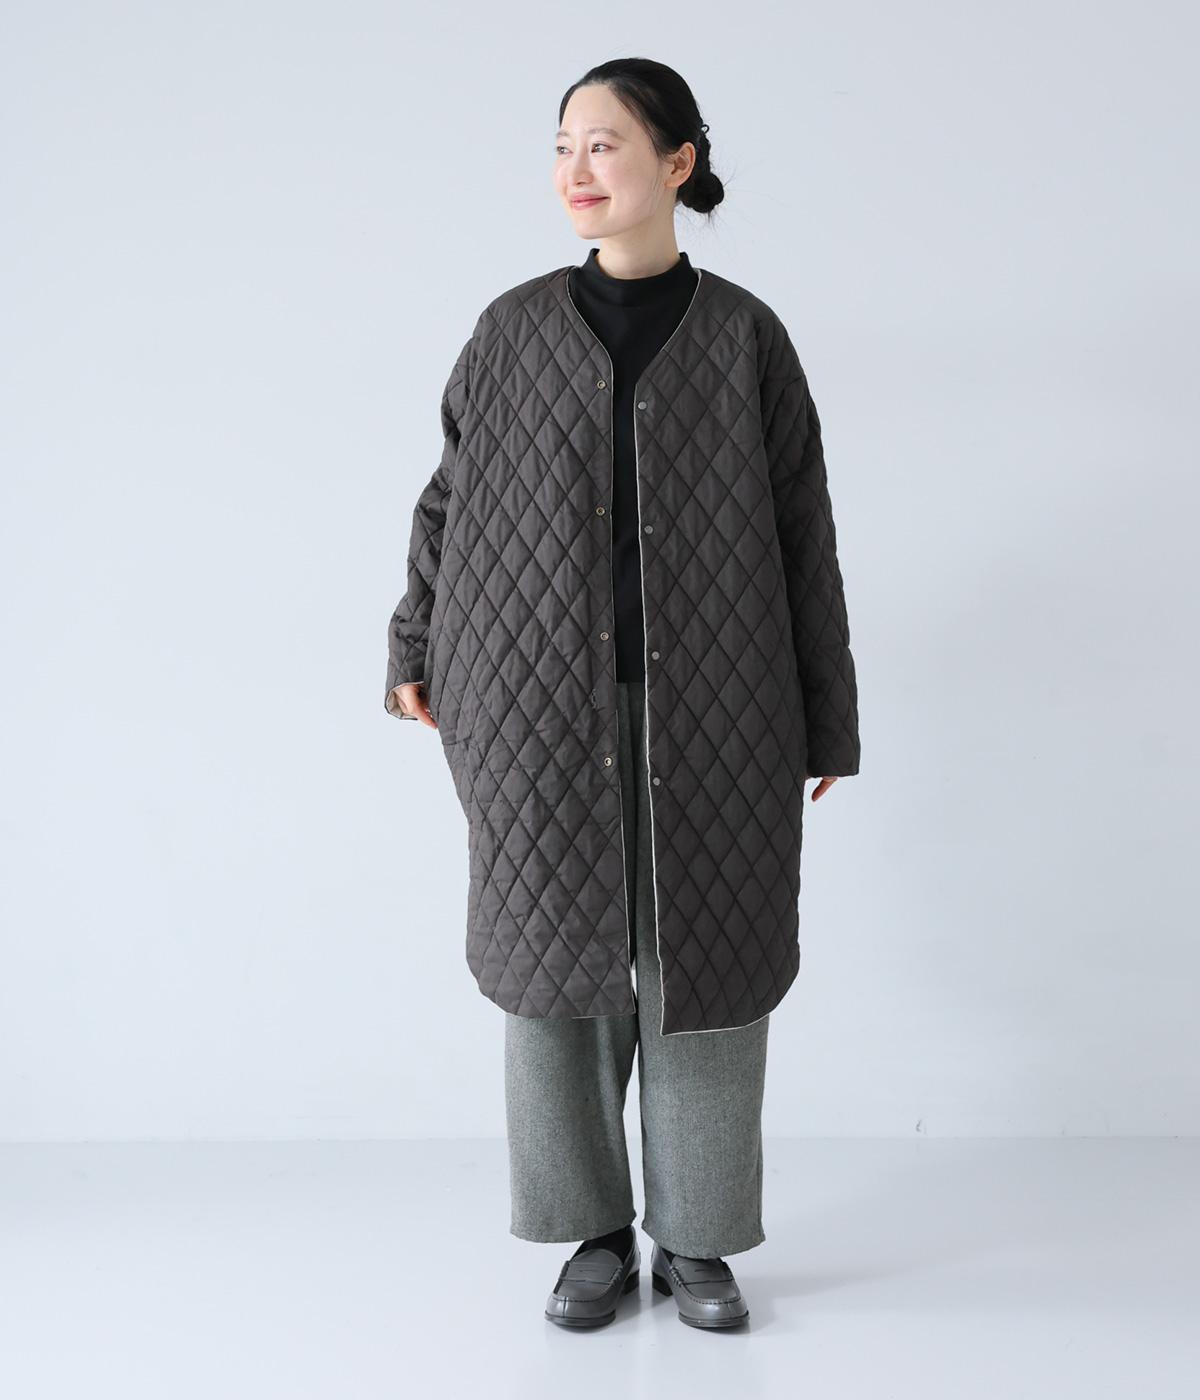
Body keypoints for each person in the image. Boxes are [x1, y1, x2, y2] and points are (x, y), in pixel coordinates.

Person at [384, 58, 861, 1331]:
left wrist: (828, 711)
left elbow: (804, 533)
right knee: (556, 965)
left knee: (709, 962)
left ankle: (696, 1238)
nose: (576, 170)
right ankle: (591, 1232)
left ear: (676, 162)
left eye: (602, 144)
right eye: (562, 146)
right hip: (531, 701)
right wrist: (411, 640)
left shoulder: (747, 336)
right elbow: (447, 501)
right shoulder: (510, 329)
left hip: (723, 702)